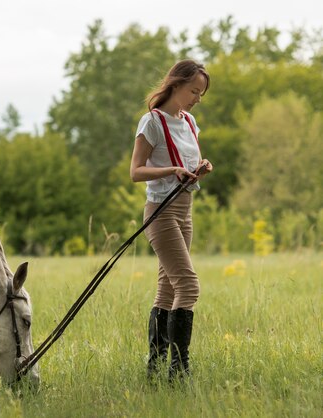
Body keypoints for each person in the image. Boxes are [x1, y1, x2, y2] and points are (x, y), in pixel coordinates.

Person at [130, 59, 213, 382]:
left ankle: (156, 367)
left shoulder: (189, 122)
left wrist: (200, 167)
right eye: (194, 91)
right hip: (160, 211)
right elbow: (136, 172)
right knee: (188, 285)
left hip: (185, 209)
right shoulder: (150, 123)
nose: (197, 99)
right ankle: (178, 371)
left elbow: (188, 163)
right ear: (175, 85)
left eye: (201, 94)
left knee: (167, 287)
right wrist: (171, 171)